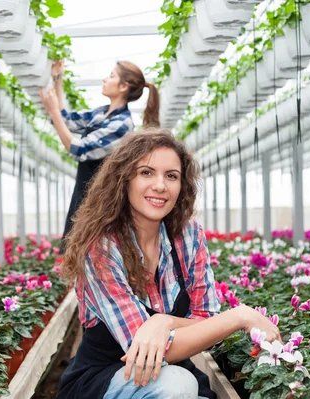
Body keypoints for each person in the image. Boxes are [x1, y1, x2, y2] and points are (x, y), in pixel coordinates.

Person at [56, 130, 281, 399]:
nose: (160, 186)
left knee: (182, 385)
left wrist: (164, 322)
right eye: (146, 173)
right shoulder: (101, 249)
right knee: (178, 385)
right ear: (124, 180)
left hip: (167, 376)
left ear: (182, 186)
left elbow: (207, 318)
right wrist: (239, 316)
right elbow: (152, 348)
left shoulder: (187, 236)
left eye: (171, 176)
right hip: (105, 380)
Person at [39, 60, 159, 252]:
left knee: (90, 257)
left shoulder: (122, 124)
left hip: (99, 203)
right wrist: (57, 78)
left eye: (111, 76)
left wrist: (53, 110)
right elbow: (67, 121)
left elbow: (79, 149)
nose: (105, 79)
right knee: (75, 257)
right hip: (85, 194)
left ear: (123, 86)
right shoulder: (102, 113)